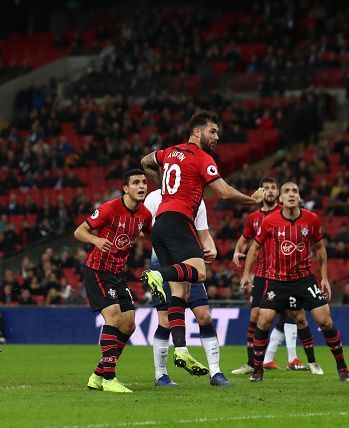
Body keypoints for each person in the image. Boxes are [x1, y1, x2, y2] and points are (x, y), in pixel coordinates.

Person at [140, 109, 263, 374]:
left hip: (160, 224)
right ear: (197, 132)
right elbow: (225, 193)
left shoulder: (169, 152)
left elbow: (145, 161)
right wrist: (253, 200)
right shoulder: (201, 157)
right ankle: (158, 274)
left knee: (179, 293)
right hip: (178, 221)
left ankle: (181, 349)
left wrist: (163, 183)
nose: (217, 136)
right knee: (199, 272)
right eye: (212, 131)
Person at [240, 181, 349, 383]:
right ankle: (257, 370)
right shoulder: (270, 221)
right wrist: (246, 274)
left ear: (299, 197)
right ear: (281, 198)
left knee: (326, 322)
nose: (291, 194)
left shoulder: (311, 219)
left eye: (295, 191)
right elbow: (254, 249)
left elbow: (320, 249)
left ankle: (342, 367)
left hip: (304, 280)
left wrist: (324, 277)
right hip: (277, 280)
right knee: (263, 320)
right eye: (287, 191)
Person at [74, 169, 152, 393]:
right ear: (125, 188)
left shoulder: (145, 214)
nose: (141, 186)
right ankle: (109, 378)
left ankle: (98, 374)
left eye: (144, 182)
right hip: (98, 270)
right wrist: (95, 239)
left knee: (129, 323)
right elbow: (79, 231)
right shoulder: (110, 208)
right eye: (136, 182)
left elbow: (149, 233)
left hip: (118, 274)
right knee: (114, 316)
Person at [143, 189, 231, 387]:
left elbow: (204, 234)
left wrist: (212, 248)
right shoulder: (155, 198)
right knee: (165, 321)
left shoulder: (197, 200)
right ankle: (161, 375)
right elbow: (144, 231)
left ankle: (216, 373)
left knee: (204, 315)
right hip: (163, 262)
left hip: (189, 262)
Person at [231, 177, 310, 375]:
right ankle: (253, 362)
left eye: (274, 187)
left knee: (293, 314)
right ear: (261, 191)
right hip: (262, 274)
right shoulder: (254, 218)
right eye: (266, 188)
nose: (270, 191)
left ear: (279, 192)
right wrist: (236, 252)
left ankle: (289, 358)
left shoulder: (283, 214)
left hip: (283, 275)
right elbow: (244, 240)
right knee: (256, 315)